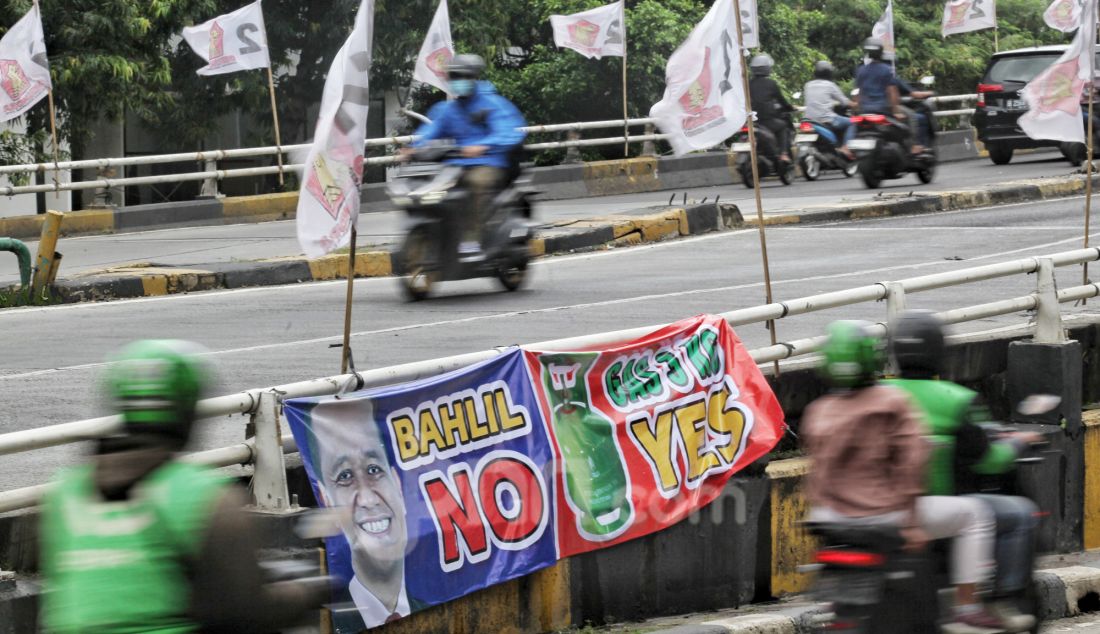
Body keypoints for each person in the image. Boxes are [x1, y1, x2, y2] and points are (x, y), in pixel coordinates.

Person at [38, 340, 327, 633]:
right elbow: (243, 612)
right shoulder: (202, 498)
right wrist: (310, 591)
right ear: (188, 412)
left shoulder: (67, 493)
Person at [802, 321, 1011, 631]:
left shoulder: (818, 410)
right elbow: (911, 469)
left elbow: (817, 470)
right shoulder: (892, 403)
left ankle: (836, 604)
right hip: (885, 517)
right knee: (976, 514)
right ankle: (968, 605)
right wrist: (912, 525)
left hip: (830, 518)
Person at [885, 310, 1041, 632]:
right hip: (935, 507)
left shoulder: (875, 395)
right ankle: (997, 601)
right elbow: (989, 460)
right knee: (1020, 514)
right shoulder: (956, 399)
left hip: (869, 508)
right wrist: (1018, 443)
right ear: (939, 352)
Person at [304, 397, 423, 630]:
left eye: (374, 469)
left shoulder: (431, 602)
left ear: (398, 484)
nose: (368, 500)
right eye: (345, 476)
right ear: (327, 501)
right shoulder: (334, 621)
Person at [410, 53, 527, 257]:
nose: (457, 81)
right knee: (431, 188)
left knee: (475, 183)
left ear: (473, 78)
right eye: (453, 77)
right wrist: (414, 147)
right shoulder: (448, 110)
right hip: (456, 165)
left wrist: (484, 145)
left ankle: (473, 237)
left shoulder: (492, 104)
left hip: (490, 164)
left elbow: (508, 132)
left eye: (462, 76)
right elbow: (431, 130)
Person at [849, 37, 934, 154]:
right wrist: (896, 111)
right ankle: (914, 146)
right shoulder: (886, 70)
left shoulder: (861, 70)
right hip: (883, 109)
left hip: (865, 109)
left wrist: (857, 109)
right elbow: (892, 92)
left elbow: (856, 92)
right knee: (911, 116)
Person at [802, 60, 854, 159]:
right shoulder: (830, 85)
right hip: (827, 119)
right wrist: (856, 105)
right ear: (829, 73)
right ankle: (845, 148)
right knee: (853, 122)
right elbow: (845, 102)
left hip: (809, 119)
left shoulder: (808, 85)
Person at [748, 54, 795, 163]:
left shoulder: (748, 84)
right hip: (766, 121)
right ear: (767, 68)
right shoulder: (771, 83)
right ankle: (783, 154)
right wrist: (789, 107)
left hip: (752, 121)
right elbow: (781, 100)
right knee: (783, 126)